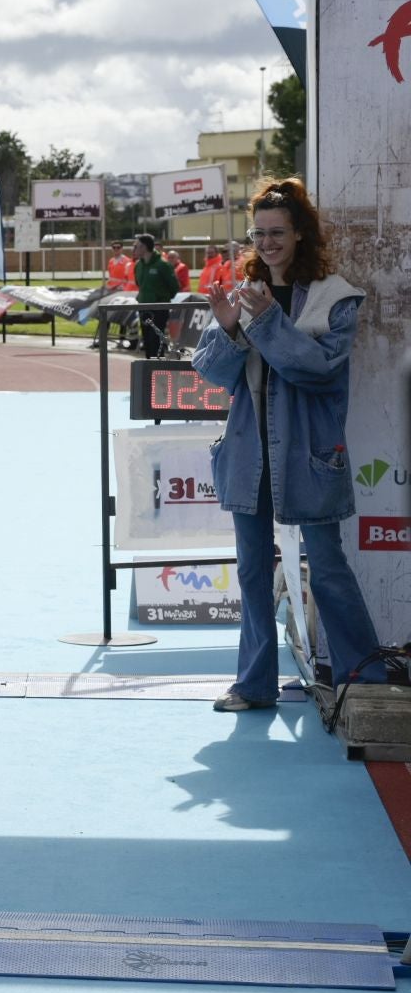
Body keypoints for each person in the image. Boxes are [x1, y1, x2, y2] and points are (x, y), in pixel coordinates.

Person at [193, 177, 382, 711]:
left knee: (327, 568)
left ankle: (363, 684)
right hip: (248, 454)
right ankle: (253, 685)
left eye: (278, 232)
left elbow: (318, 370)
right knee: (252, 570)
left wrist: (268, 322)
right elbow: (212, 374)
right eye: (259, 233)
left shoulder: (334, 296)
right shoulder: (241, 294)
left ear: (300, 234)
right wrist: (230, 330)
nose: (268, 243)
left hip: (309, 456)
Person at [132, 232, 179, 358]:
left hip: (159, 309)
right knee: (147, 340)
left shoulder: (163, 265)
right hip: (143, 307)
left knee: (156, 340)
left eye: (136, 246)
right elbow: (139, 284)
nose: (134, 249)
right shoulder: (138, 265)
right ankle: (149, 370)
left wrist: (160, 297)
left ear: (144, 247)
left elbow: (174, 287)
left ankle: (159, 369)